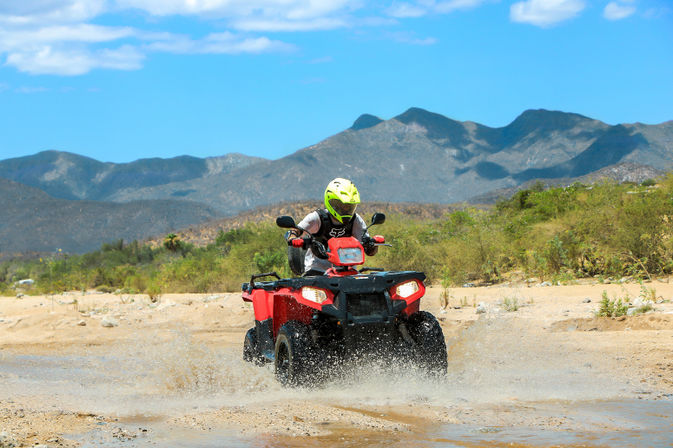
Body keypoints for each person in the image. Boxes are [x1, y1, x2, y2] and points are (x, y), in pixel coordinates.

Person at [287, 178, 378, 276]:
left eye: (349, 206)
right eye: (342, 205)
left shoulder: (355, 219)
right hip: (317, 270)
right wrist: (293, 238)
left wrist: (372, 244)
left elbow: (368, 245)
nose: (345, 209)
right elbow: (297, 229)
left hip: (348, 270)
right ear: (331, 202)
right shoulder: (318, 217)